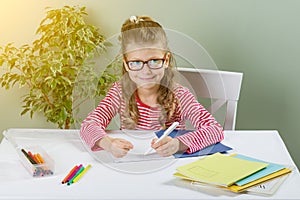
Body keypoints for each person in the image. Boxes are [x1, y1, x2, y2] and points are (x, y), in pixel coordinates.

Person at [80, 15, 224, 158]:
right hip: (131, 163)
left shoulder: (179, 95)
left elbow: (215, 130)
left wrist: (179, 144)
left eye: (154, 61)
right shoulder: (119, 92)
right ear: (126, 63)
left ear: (166, 59)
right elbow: (88, 125)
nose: (146, 71)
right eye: (136, 62)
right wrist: (109, 144)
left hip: (169, 165)